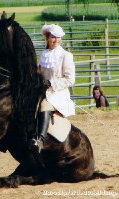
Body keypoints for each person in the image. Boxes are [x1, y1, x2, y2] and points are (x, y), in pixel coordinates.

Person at [30, 24, 75, 152]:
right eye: (53, 37)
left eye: (58, 38)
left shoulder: (66, 55)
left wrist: (51, 83)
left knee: (44, 105)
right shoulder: (44, 54)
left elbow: (70, 79)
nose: (56, 40)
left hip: (57, 93)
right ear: (47, 38)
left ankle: (40, 140)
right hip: (41, 91)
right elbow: (39, 73)